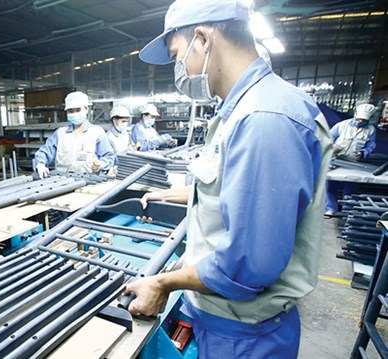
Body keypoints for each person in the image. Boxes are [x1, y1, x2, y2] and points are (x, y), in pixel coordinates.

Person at [122, 1, 333, 358]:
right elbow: (232, 191)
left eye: (177, 56)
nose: (180, 69)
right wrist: (171, 195)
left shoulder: (264, 119)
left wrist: (163, 283)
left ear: (202, 39)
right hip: (228, 327)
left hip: (245, 337)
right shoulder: (241, 110)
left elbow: (247, 265)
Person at [33, 91, 116, 178]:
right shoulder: (60, 133)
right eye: (70, 111)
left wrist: (100, 164)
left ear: (86, 109)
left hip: (88, 181)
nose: (74, 114)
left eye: (78, 110)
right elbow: (45, 151)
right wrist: (41, 163)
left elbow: (108, 156)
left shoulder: (97, 133)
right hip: (61, 181)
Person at [325, 103, 377, 216]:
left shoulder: (371, 130)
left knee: (350, 188)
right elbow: (328, 139)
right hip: (336, 160)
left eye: (364, 120)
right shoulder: (341, 126)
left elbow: (371, 145)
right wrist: (332, 148)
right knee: (331, 185)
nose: (361, 122)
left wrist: (363, 153)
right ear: (355, 115)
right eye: (359, 119)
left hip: (353, 162)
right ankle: (330, 208)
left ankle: (347, 210)